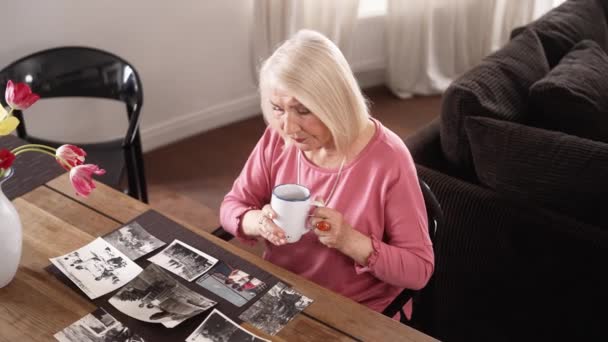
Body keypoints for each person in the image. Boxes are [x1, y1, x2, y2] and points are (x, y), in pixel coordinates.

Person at [219, 29, 434, 319]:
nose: (289, 128)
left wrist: (349, 240)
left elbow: (419, 270)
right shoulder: (278, 137)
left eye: (303, 110)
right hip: (283, 295)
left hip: (355, 311)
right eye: (277, 109)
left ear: (336, 102)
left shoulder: (389, 159)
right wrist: (260, 222)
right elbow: (232, 206)